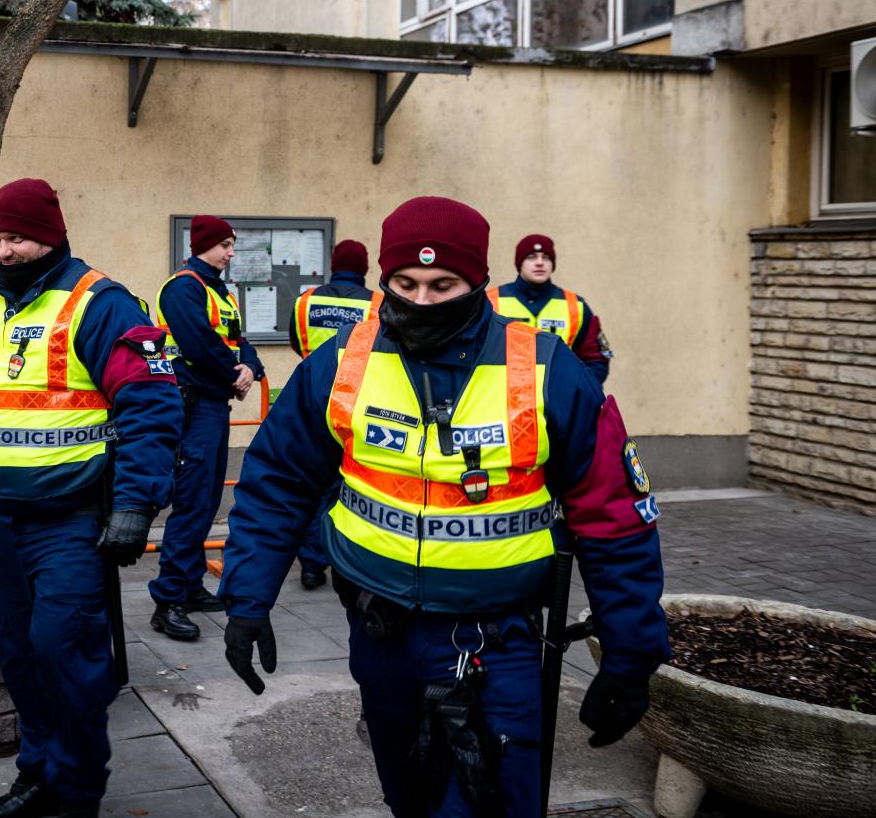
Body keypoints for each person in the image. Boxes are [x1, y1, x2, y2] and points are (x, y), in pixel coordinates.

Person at [219, 196, 668, 818]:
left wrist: (630, 654)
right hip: (382, 635)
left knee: (494, 802)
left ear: (479, 281)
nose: (422, 301)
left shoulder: (545, 369)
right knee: (410, 796)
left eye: (442, 284)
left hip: (498, 640)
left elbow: (614, 521)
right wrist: (247, 598)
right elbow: (278, 483)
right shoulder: (341, 363)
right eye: (404, 283)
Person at [0, 178, 180, 818]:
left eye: (16, 237)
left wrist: (135, 505)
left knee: (63, 653)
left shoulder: (99, 305)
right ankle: (39, 774)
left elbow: (151, 408)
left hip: (75, 520)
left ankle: (76, 791)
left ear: (51, 235)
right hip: (3, 519)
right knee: (20, 656)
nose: (4, 250)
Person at [148, 215, 264, 641]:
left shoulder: (219, 291)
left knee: (208, 497)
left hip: (211, 405)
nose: (231, 253)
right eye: (225, 245)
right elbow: (199, 344)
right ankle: (169, 600)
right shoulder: (184, 288)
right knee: (194, 500)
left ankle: (189, 584)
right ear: (204, 245)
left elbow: (239, 339)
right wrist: (235, 374)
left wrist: (250, 367)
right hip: (193, 406)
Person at [287, 238, 381, 590]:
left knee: (310, 482)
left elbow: (297, 341)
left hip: (312, 397)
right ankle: (339, 557)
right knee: (347, 485)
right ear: (365, 268)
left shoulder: (306, 301)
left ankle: (310, 563)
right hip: (358, 402)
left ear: (333, 264)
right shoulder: (378, 304)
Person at [488, 234, 612, 383]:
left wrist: (577, 392)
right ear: (519, 263)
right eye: (531, 257)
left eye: (546, 257)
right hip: (501, 401)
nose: (540, 263)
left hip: (558, 402)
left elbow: (596, 358)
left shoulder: (575, 306)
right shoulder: (490, 300)